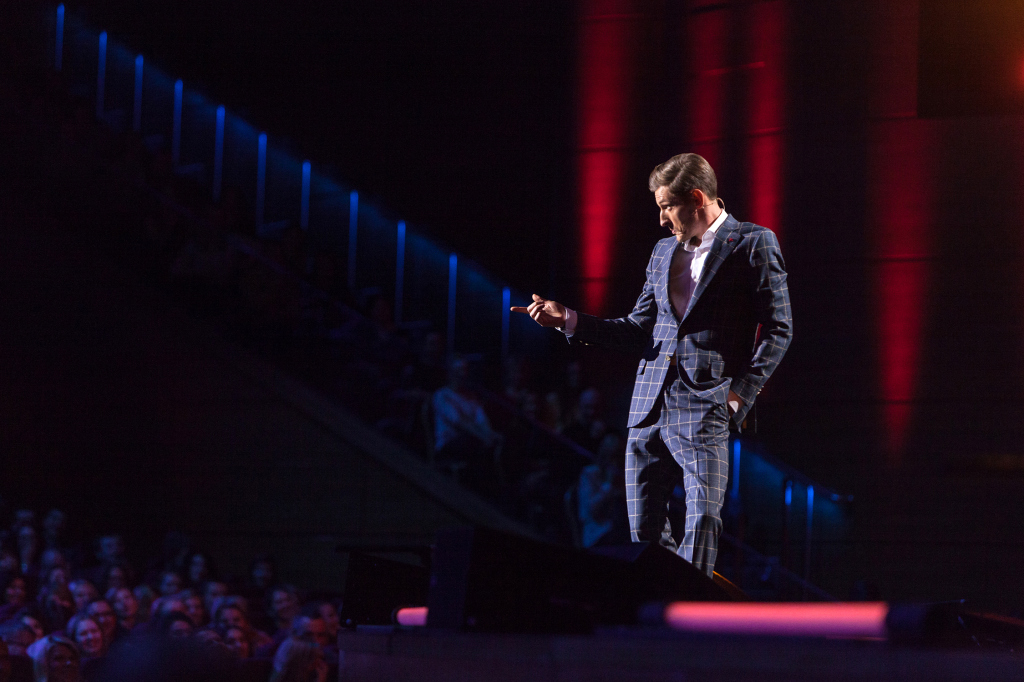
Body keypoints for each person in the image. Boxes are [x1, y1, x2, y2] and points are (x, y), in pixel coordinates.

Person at [513, 153, 792, 576]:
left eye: (667, 206)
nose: (661, 219)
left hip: (707, 406)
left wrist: (738, 397)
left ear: (696, 198)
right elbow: (636, 329)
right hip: (647, 407)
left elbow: (779, 328)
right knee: (644, 532)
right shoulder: (662, 252)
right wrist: (567, 319)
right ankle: (662, 602)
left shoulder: (753, 242)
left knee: (703, 520)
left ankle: (690, 605)